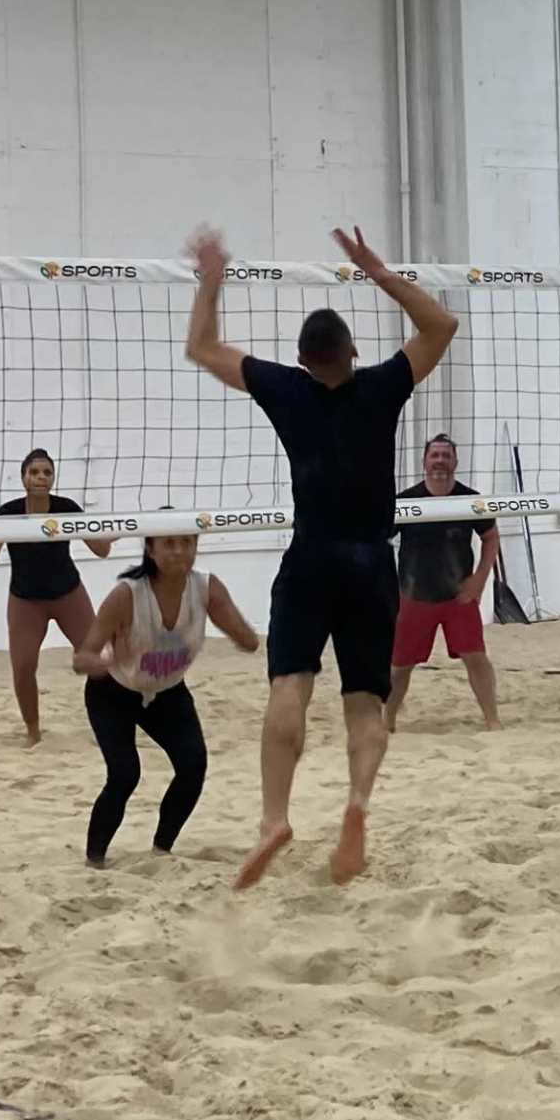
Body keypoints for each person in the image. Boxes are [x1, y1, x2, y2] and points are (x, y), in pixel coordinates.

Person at [184, 222, 459, 889]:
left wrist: (212, 280)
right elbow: (441, 326)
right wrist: (375, 270)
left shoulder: (285, 389)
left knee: (289, 690)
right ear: (352, 351)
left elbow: (200, 348)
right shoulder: (382, 385)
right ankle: (357, 802)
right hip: (371, 564)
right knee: (366, 703)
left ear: (304, 359)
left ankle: (274, 818)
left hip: (309, 561)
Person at [70, 530, 258, 864]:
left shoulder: (206, 588)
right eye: (169, 543)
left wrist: (239, 629)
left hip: (167, 692)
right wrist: (110, 660)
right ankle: (94, 860)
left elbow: (249, 642)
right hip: (113, 693)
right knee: (125, 774)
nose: (180, 551)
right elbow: (81, 659)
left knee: (193, 766)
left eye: (187, 543)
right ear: (150, 549)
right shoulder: (127, 595)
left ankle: (162, 850)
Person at [0, 445, 114, 745]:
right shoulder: (9, 513)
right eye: (34, 472)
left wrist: (119, 530)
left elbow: (102, 550)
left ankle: (109, 725)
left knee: (98, 662)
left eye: (47, 472)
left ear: (53, 478)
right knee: (24, 667)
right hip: (26, 601)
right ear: (23, 478)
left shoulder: (66, 507)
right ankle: (33, 730)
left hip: (68, 594)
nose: (41, 477)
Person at [389, 432, 503, 733]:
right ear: (425, 462)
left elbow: (491, 537)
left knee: (476, 658)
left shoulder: (470, 500)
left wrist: (479, 580)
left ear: (455, 461)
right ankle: (386, 722)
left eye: (446, 455)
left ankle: (492, 720)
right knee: (399, 666)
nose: (440, 460)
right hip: (414, 596)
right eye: (434, 455)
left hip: (458, 596)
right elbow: (377, 540)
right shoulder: (405, 502)